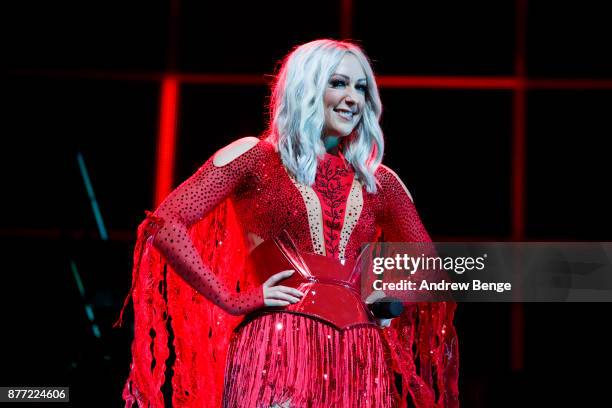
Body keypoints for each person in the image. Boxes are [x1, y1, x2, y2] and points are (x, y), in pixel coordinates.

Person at [117, 39, 459, 407]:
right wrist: (231, 299)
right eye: (338, 83)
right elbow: (166, 223)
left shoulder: (381, 182)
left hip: (360, 356)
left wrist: (392, 299)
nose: (353, 98)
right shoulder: (255, 157)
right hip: (276, 346)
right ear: (305, 87)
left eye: (361, 87)